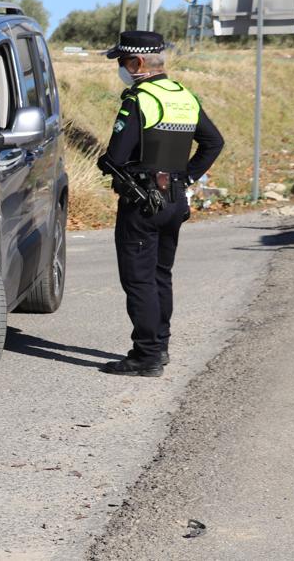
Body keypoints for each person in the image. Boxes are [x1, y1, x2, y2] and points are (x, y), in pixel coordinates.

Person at [96, 30, 224, 377]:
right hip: (174, 200)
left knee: (139, 279)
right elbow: (213, 142)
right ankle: (160, 346)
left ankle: (146, 356)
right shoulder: (184, 95)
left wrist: (108, 162)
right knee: (159, 275)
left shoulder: (138, 100)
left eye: (123, 61)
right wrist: (186, 177)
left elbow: (116, 157)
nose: (121, 67)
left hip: (142, 203)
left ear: (138, 62)